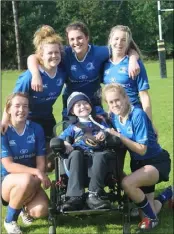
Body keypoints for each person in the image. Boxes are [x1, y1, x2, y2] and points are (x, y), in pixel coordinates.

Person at [27, 22, 140, 121]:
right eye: (72, 39)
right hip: (71, 104)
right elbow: (33, 57)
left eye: (79, 38)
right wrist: (36, 75)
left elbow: (124, 49)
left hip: (94, 103)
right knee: (70, 138)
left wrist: (133, 59)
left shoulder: (99, 52)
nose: (76, 42)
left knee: (100, 136)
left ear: (87, 37)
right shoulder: (64, 54)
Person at [102, 83, 171, 230]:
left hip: (155, 162)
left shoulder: (137, 114)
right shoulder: (114, 117)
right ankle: (167, 194)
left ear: (126, 98)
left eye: (117, 100)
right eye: (111, 102)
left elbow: (142, 150)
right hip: (138, 165)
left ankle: (153, 220)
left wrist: (119, 136)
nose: (115, 104)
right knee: (147, 211)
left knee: (127, 183)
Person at [1, 25, 67, 171]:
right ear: (41, 56)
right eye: (50, 53)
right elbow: (13, 100)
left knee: (51, 162)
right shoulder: (29, 77)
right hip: (27, 120)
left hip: (47, 119)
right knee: (27, 160)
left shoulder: (61, 71)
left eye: (57, 52)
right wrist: (4, 120)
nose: (54, 56)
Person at [56, 91, 117, 211]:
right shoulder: (72, 127)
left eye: (85, 103)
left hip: (98, 154)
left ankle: (94, 195)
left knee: (100, 155)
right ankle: (74, 197)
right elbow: (59, 139)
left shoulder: (100, 122)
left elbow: (110, 131)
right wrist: (66, 143)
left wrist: (104, 134)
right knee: (75, 153)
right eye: (78, 105)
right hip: (78, 156)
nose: (83, 106)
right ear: (72, 111)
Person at [1, 92, 51, 234]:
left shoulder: (36, 128)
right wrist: (37, 173)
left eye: (25, 106)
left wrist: (37, 176)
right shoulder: (2, 131)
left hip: (31, 180)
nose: (21, 110)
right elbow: (8, 165)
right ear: (9, 109)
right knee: (26, 179)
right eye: (17, 106)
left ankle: (22, 206)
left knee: (41, 211)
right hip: (7, 182)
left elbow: (41, 161)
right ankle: (10, 220)